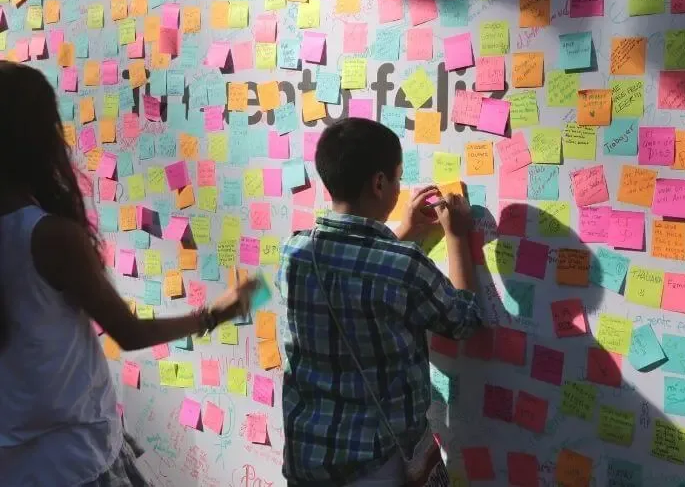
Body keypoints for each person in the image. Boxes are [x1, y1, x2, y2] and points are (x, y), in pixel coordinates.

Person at [0, 61, 258, 486]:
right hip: (71, 462)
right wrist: (215, 313)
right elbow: (128, 332)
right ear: (35, 138)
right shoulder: (49, 237)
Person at [276, 117, 484, 486]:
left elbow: (354, 275)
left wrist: (401, 231)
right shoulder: (404, 265)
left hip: (307, 459)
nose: (399, 187)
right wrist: (455, 237)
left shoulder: (293, 252)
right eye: (398, 178)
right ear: (379, 182)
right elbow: (464, 319)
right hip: (375, 466)